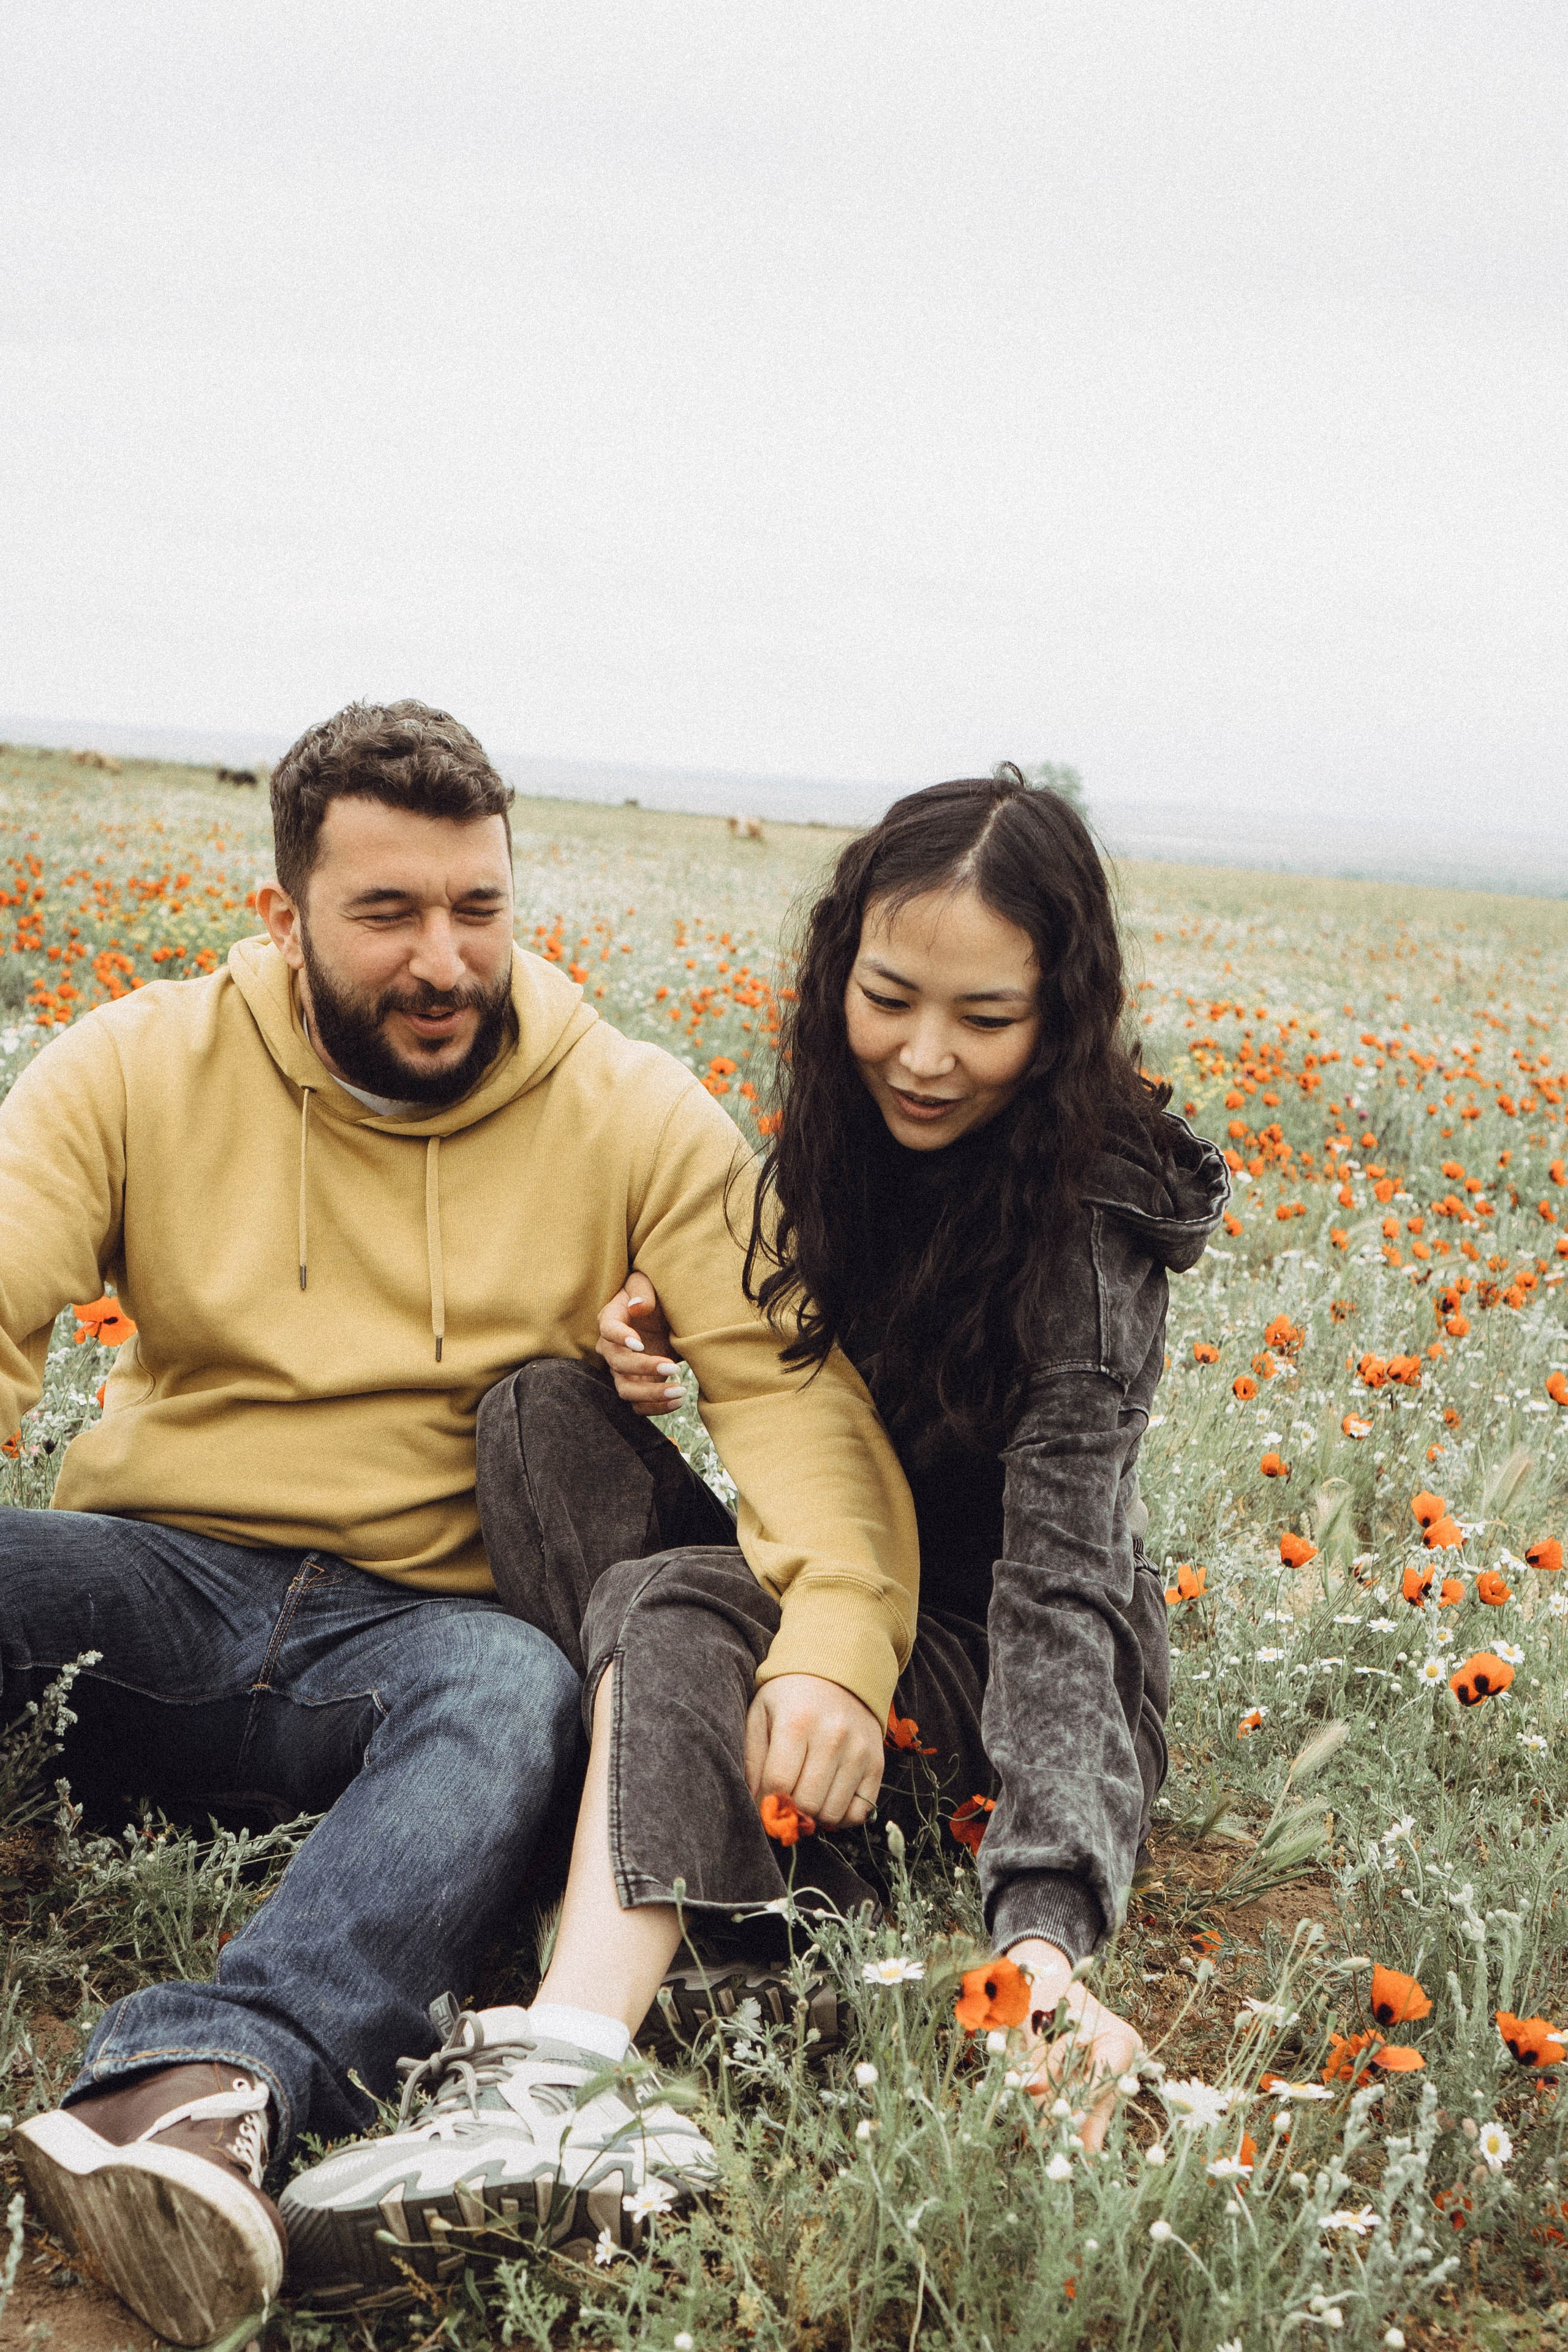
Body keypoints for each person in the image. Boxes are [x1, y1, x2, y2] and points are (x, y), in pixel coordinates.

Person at [4, 700, 918, 2345]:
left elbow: (787, 1397)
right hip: (151, 1588)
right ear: (287, 919)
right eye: (388, 914)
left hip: (425, 1638)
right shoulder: (136, 1066)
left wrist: (841, 1642)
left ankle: (203, 2091)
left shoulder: (630, 1108)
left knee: (518, 1696)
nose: (444, 959)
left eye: (477, 909)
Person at [283, 765, 1227, 2297]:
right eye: (888, 998)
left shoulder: (1089, 1228)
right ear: (836, 963)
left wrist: (1042, 1940)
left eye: (984, 1021)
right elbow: (793, 1402)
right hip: (829, 1615)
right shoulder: (839, 1140)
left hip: (973, 1667)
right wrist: (658, 1346)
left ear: (1060, 1013)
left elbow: (1065, 1585)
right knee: (537, 1413)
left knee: (678, 1603)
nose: (923, 1057)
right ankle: (703, 1869)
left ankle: (570, 2076)